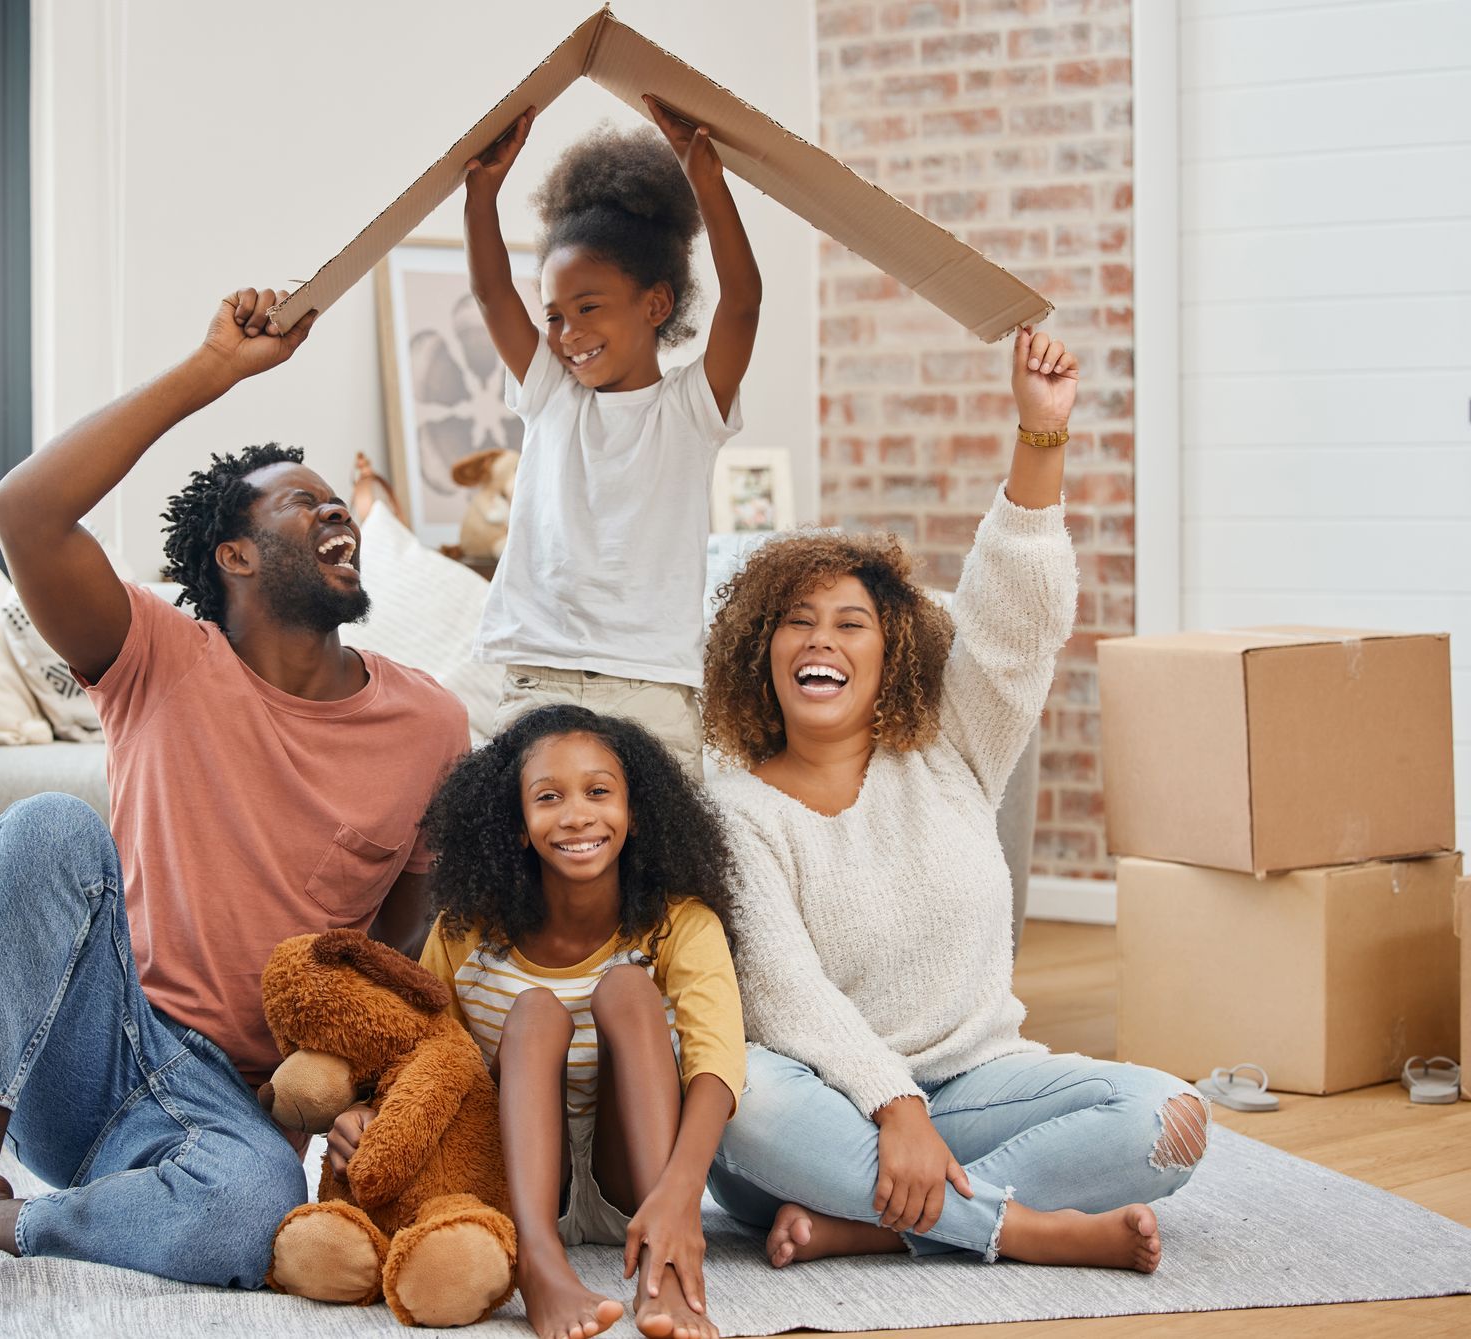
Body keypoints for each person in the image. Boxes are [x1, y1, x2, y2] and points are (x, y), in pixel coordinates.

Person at [0, 287, 473, 1314]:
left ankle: (18, 1221)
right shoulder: (158, 653)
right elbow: (23, 511)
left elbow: (396, 946)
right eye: (302, 500)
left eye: (342, 502)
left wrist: (351, 1090)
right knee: (48, 824)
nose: (338, 511)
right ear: (233, 555)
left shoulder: (430, 725)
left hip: (231, 1103)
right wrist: (214, 370)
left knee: (251, 1218)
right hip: (93, 1046)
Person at [702, 329, 1209, 1274]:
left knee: (1169, 1118)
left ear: (892, 653)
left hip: (979, 1090)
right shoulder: (734, 807)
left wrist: (1039, 432)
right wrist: (893, 1106)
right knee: (738, 1095)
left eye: (852, 623)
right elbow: (781, 994)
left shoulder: (953, 750)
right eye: (797, 622)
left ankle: (878, 1226)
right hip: (823, 1111)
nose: (824, 640)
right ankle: (1024, 1230)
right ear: (759, 653)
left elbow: (1014, 620)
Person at [401, 705, 744, 1339]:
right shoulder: (464, 934)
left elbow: (718, 1062)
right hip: (526, 1190)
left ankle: (660, 1273)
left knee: (628, 989)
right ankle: (539, 1263)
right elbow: (425, 1057)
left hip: (638, 1190)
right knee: (533, 1011)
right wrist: (373, 1109)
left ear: (634, 812)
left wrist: (680, 1197)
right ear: (517, 824)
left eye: (598, 792)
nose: (577, 815)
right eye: (549, 797)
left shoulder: (682, 923)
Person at [463, 97, 762, 777]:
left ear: (655, 305)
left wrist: (707, 184)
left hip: (650, 684)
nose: (568, 334)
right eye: (556, 316)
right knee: (532, 862)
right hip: (539, 676)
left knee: (655, 871)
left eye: (588, 308)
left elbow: (743, 303)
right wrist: (482, 194)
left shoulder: (689, 408)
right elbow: (489, 294)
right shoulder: (549, 395)